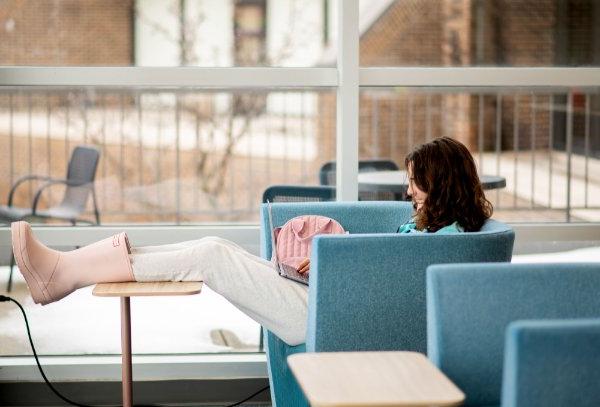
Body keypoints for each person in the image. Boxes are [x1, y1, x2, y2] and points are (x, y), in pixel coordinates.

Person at [10, 136, 492, 346]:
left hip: (321, 316)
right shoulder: (437, 230)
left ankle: (64, 273)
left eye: (417, 183)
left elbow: (387, 286)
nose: (409, 191)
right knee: (214, 247)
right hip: (322, 297)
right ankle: (68, 267)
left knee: (210, 254)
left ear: (441, 184)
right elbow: (380, 273)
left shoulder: (443, 240)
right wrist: (328, 260)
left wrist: (334, 263)